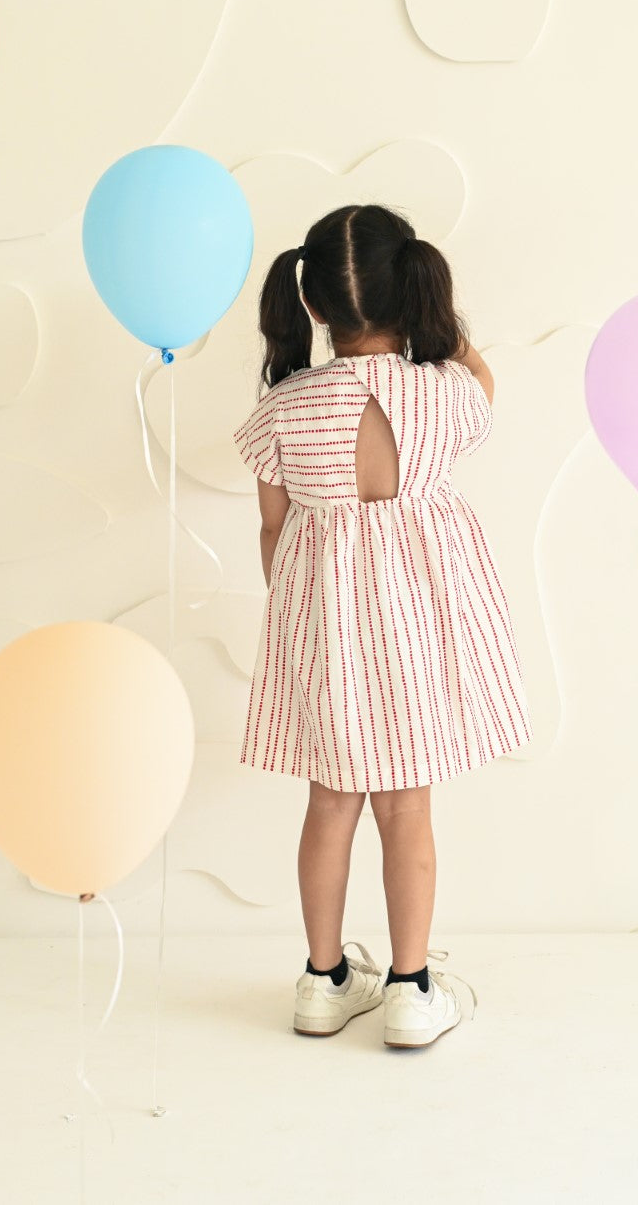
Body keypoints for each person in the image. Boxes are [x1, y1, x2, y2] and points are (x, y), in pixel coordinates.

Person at [234, 203, 530, 1048]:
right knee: (407, 809)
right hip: (419, 637)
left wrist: (301, 616)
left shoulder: (287, 406)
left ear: (315, 307)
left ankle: (322, 982)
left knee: (328, 803)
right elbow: (484, 379)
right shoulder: (441, 394)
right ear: (413, 292)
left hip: (325, 631)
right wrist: (441, 326)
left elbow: (272, 528)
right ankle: (409, 987)